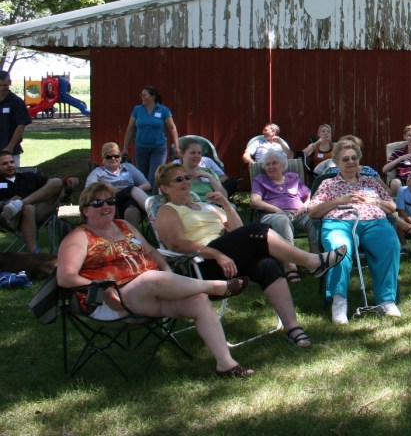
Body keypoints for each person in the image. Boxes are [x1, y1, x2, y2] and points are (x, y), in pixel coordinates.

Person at [57, 182, 254, 378]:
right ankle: (216, 287)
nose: (106, 206)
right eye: (98, 203)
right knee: (150, 279)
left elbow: (151, 251)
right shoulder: (79, 236)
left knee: (199, 300)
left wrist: (167, 272)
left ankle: (226, 364)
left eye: (110, 201)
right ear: (85, 210)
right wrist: (102, 288)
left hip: (151, 295)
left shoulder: (123, 225)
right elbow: (65, 277)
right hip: (113, 301)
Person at [154, 163, 342, 347]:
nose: (186, 181)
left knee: (267, 264)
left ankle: (293, 328)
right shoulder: (168, 210)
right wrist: (217, 254)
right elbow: (177, 244)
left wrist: (226, 205)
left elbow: (238, 230)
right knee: (258, 229)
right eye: (178, 179)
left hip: (228, 259)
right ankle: (311, 261)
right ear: (164, 188)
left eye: (187, 177)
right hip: (202, 265)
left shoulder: (206, 206)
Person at [308, 144, 402, 325]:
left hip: (373, 221)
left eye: (354, 158)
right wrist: (340, 200)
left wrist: (373, 200)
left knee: (390, 245)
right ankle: (339, 301)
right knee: (339, 249)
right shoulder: (328, 184)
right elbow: (313, 212)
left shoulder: (370, 182)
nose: (351, 162)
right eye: (345, 159)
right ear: (337, 162)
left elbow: (392, 207)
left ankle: (386, 300)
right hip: (339, 222)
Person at [250, 149, 315, 281]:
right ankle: (290, 267)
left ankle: (315, 261)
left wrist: (305, 205)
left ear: (283, 165)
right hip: (272, 215)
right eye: (267, 164)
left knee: (314, 220)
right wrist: (275, 209)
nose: (270, 167)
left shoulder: (293, 178)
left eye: (274, 163)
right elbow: (254, 201)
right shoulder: (260, 179)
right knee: (282, 221)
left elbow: (309, 195)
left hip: (297, 213)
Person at [0, 151, 77, 253]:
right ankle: (35, 251)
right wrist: (6, 203)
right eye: (5, 164)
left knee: (56, 182)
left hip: (37, 214)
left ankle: (19, 204)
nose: (10, 165)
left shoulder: (28, 176)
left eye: (11, 162)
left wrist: (67, 180)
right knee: (28, 208)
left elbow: (52, 185)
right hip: (9, 219)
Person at [84, 142, 150, 227]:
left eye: (116, 156)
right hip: (111, 200)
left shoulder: (128, 167)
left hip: (131, 199)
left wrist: (129, 193)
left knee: (131, 207)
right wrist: (129, 190)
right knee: (132, 189)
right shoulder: (98, 172)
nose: (113, 158)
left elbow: (147, 185)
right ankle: (153, 211)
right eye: (109, 156)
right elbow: (89, 190)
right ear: (103, 158)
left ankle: (131, 237)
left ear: (120, 156)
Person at [123, 86, 179, 186]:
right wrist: (125, 147)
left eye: (145, 95)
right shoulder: (137, 109)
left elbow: (172, 128)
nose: (142, 97)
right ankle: (143, 199)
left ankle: (153, 198)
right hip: (141, 147)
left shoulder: (163, 110)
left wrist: (177, 145)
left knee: (155, 175)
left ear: (153, 96)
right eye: (141, 95)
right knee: (141, 175)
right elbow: (130, 128)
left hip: (158, 148)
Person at [177, 137, 233, 201]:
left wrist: (210, 177)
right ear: (181, 153)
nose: (197, 156)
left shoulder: (208, 171)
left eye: (199, 153)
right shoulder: (175, 174)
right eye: (193, 153)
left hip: (210, 208)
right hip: (186, 208)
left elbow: (224, 197)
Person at [0, 70, 31, 165]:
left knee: (11, 177)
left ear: (9, 82)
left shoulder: (17, 102)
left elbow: (21, 125)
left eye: (4, 85)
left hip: (9, 151)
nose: (1, 88)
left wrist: (10, 147)